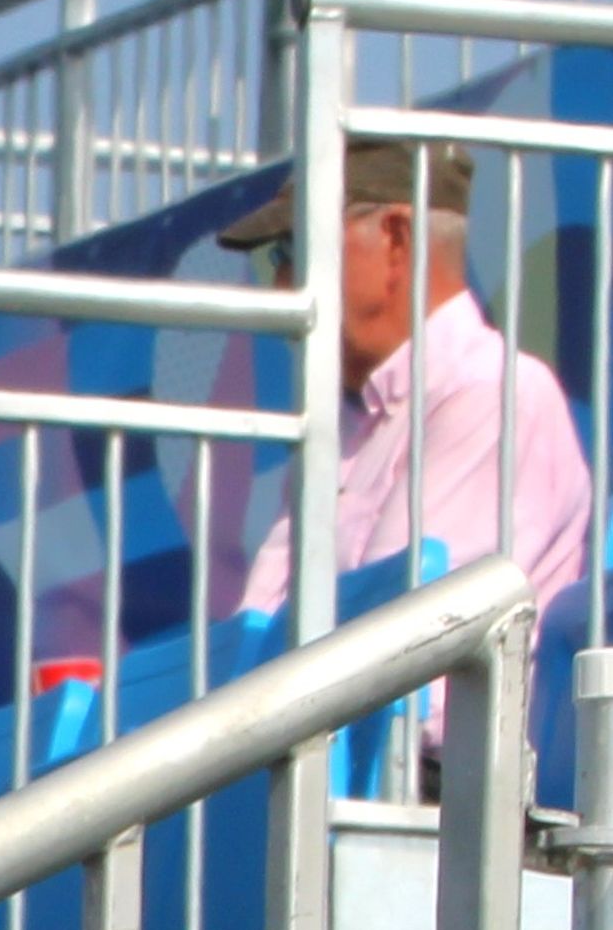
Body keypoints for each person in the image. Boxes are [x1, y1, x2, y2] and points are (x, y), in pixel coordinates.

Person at [222, 137, 592, 740]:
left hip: (432, 801)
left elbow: (402, 659)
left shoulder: (494, 391)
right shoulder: (345, 423)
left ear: (395, 240)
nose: (280, 285)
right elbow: (255, 631)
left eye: (294, 248)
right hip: (338, 773)